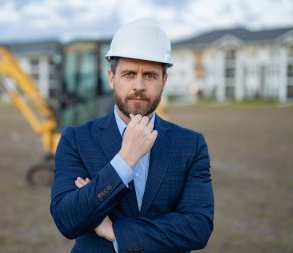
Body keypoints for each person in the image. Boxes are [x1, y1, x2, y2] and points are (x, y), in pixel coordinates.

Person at [50, 19, 214, 253]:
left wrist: (114, 231)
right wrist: (124, 160)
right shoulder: (75, 139)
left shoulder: (190, 144)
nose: (139, 85)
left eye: (149, 75)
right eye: (128, 74)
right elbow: (67, 220)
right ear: (111, 78)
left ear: (164, 81)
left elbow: (197, 228)